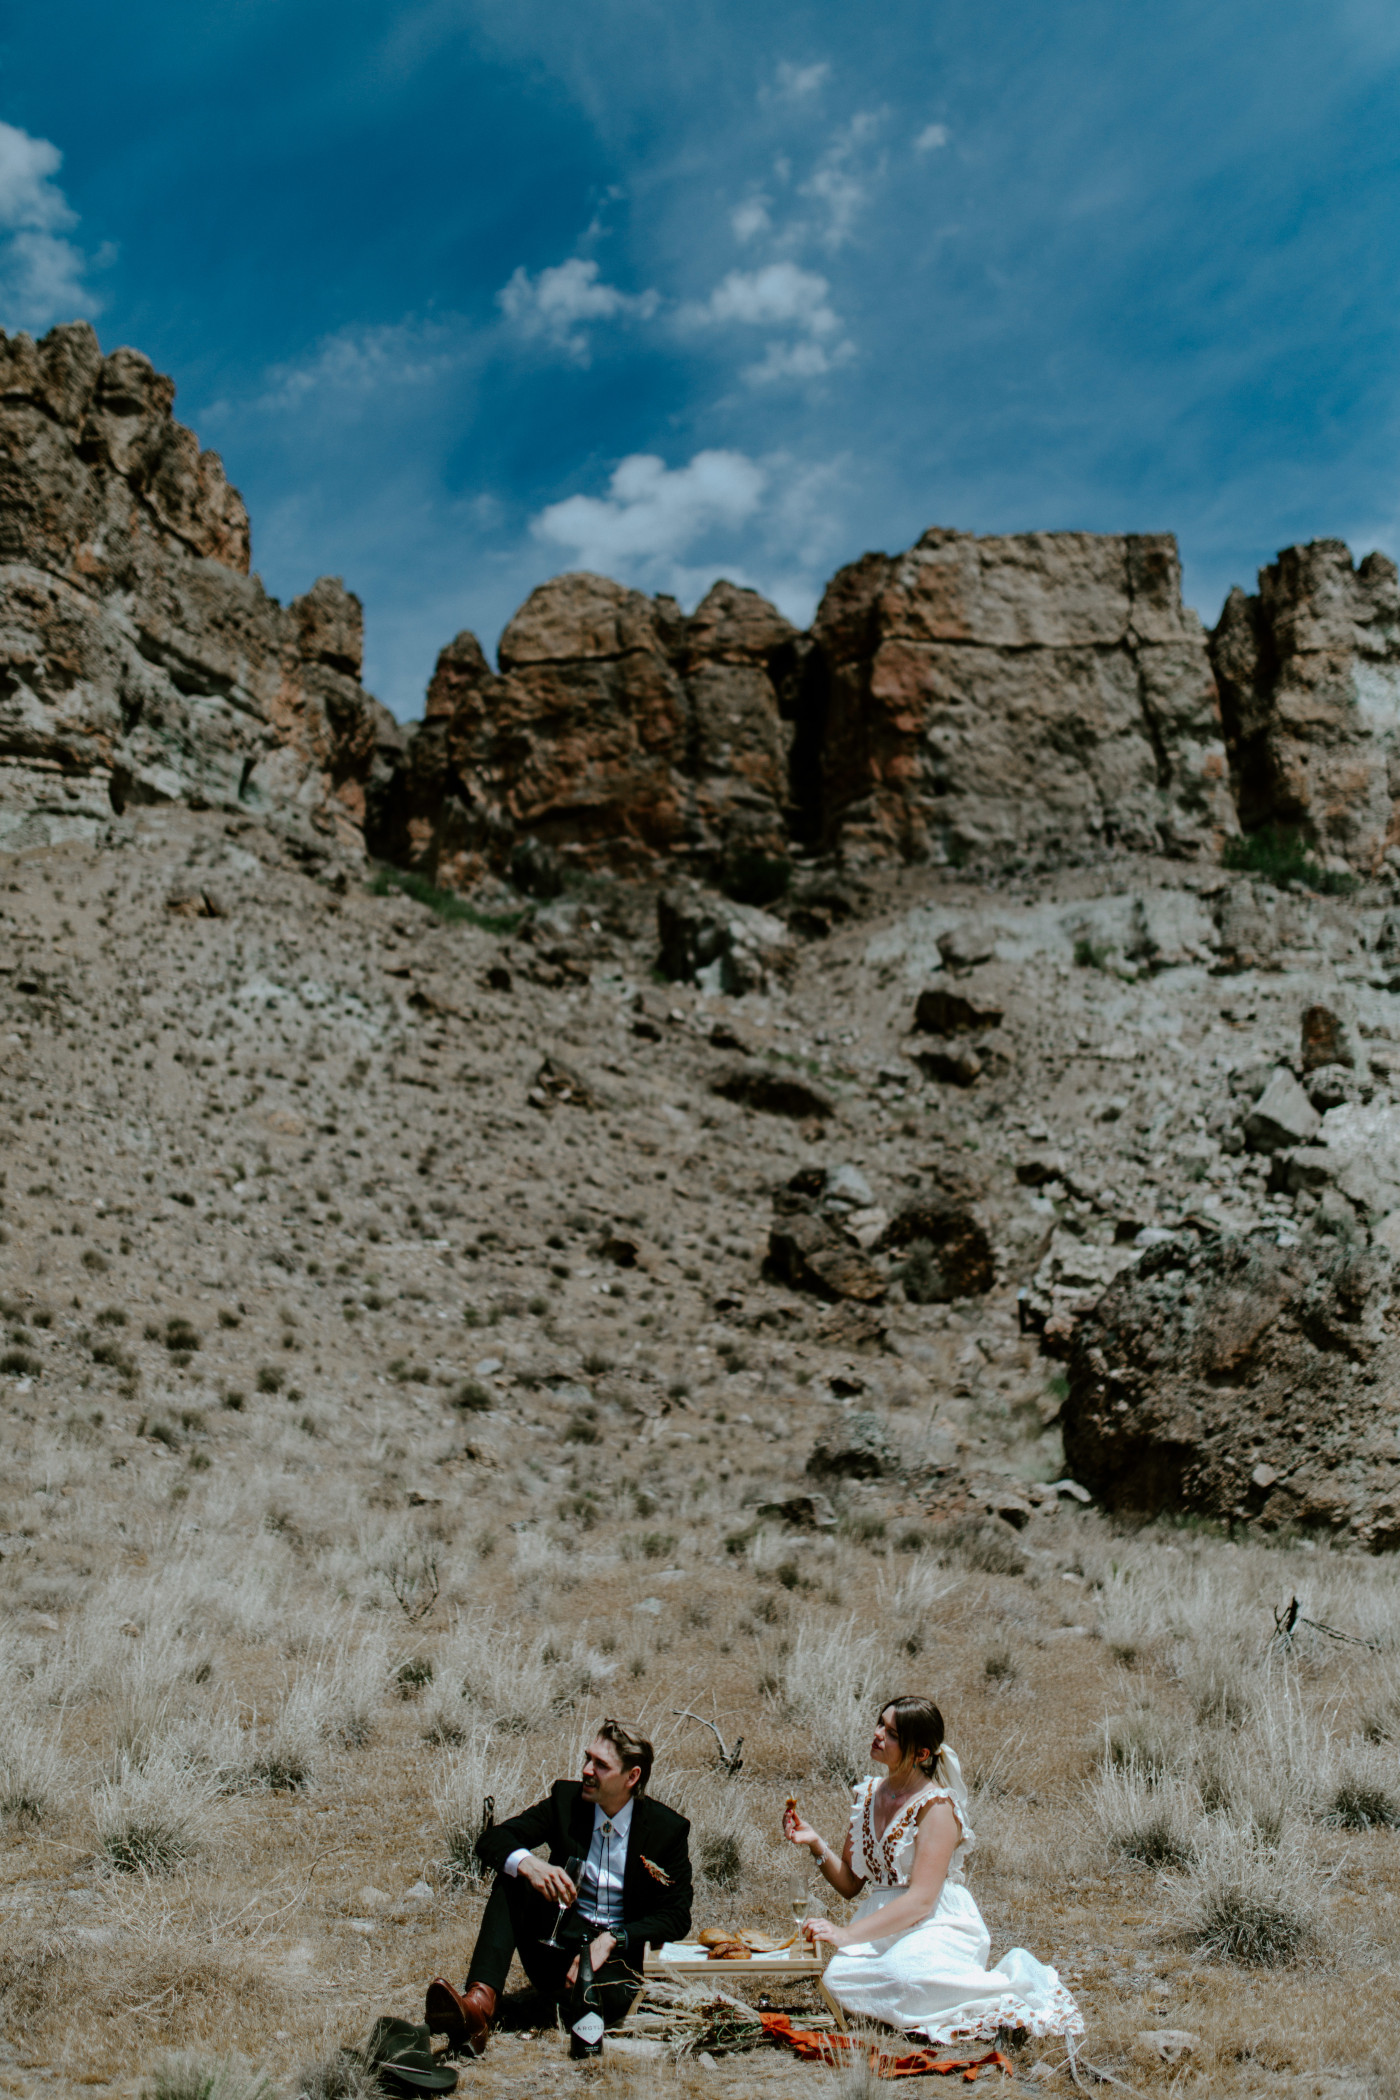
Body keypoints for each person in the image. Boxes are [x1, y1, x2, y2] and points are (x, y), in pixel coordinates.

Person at [783, 1696, 1082, 2048]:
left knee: (904, 1977)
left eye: (892, 1733)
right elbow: (850, 1884)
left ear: (921, 1754)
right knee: (837, 1979)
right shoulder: (866, 1796)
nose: (878, 1734)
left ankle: (1004, 1989)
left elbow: (922, 1900)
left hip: (937, 1922)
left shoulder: (937, 1806)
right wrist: (816, 1842)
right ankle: (915, 1998)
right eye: (880, 1724)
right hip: (880, 1924)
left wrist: (846, 1935)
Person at [426, 1719, 692, 2057]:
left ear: (632, 1777)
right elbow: (492, 1840)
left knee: (605, 2000)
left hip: (615, 1963)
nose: (586, 1770)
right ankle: (479, 2005)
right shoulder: (567, 1801)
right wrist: (530, 1864)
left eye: (601, 1764)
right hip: (556, 1945)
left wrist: (614, 1939)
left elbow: (677, 1916)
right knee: (513, 1877)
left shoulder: (666, 1830)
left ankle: (549, 2008)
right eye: (587, 1758)